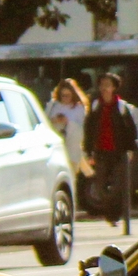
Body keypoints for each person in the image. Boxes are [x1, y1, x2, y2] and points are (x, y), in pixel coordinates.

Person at [85, 72, 138, 229]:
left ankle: (114, 216)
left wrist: (130, 149)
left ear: (114, 87)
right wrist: (89, 151)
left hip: (118, 152)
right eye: (102, 85)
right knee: (100, 187)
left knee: (117, 186)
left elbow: (131, 130)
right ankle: (110, 213)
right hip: (101, 151)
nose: (104, 88)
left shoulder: (122, 107)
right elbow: (89, 129)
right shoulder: (96, 106)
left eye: (108, 85)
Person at [45, 78, 88, 207]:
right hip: (55, 149)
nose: (65, 98)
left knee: (70, 178)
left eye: (68, 95)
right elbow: (44, 123)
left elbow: (82, 129)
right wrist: (54, 121)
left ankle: (70, 205)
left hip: (72, 149)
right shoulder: (52, 105)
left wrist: (68, 122)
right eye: (63, 95)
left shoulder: (79, 108)